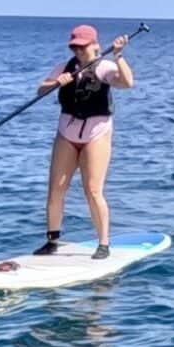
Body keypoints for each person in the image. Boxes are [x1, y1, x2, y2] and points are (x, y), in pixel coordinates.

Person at [35, 23, 136, 257]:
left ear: (95, 46)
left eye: (83, 47)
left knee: (93, 190)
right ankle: (52, 241)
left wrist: (119, 55)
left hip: (96, 133)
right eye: (75, 48)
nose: (78, 52)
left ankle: (103, 244)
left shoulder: (105, 67)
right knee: (56, 190)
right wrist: (55, 83)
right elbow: (40, 90)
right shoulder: (64, 67)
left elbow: (127, 83)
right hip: (66, 132)